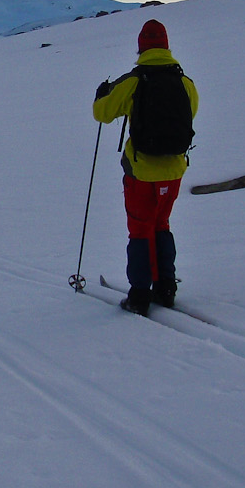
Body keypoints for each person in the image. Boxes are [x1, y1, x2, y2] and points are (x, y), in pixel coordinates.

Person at [92, 19, 198, 316]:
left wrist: (102, 94)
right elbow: (191, 112)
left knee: (140, 229)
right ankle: (166, 287)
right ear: (166, 46)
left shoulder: (134, 81)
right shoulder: (185, 82)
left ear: (141, 47)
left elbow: (102, 113)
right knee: (161, 224)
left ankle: (139, 294)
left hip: (141, 172)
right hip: (174, 170)